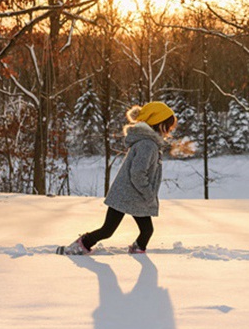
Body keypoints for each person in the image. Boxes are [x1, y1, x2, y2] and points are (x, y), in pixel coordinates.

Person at [57, 101, 177, 255]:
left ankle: (137, 251)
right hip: (127, 194)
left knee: (146, 230)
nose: (170, 130)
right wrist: (149, 194)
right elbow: (137, 173)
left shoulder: (149, 143)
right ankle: (77, 248)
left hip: (135, 195)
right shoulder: (148, 145)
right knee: (108, 230)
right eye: (168, 125)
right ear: (159, 124)